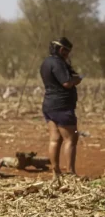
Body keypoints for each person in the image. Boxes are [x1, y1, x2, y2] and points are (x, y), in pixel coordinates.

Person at [41, 37, 82, 178]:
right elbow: (66, 83)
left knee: (55, 139)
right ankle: (71, 173)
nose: (67, 55)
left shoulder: (46, 62)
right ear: (61, 49)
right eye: (67, 52)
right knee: (72, 138)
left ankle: (56, 173)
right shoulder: (58, 63)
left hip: (49, 106)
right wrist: (77, 80)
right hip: (62, 107)